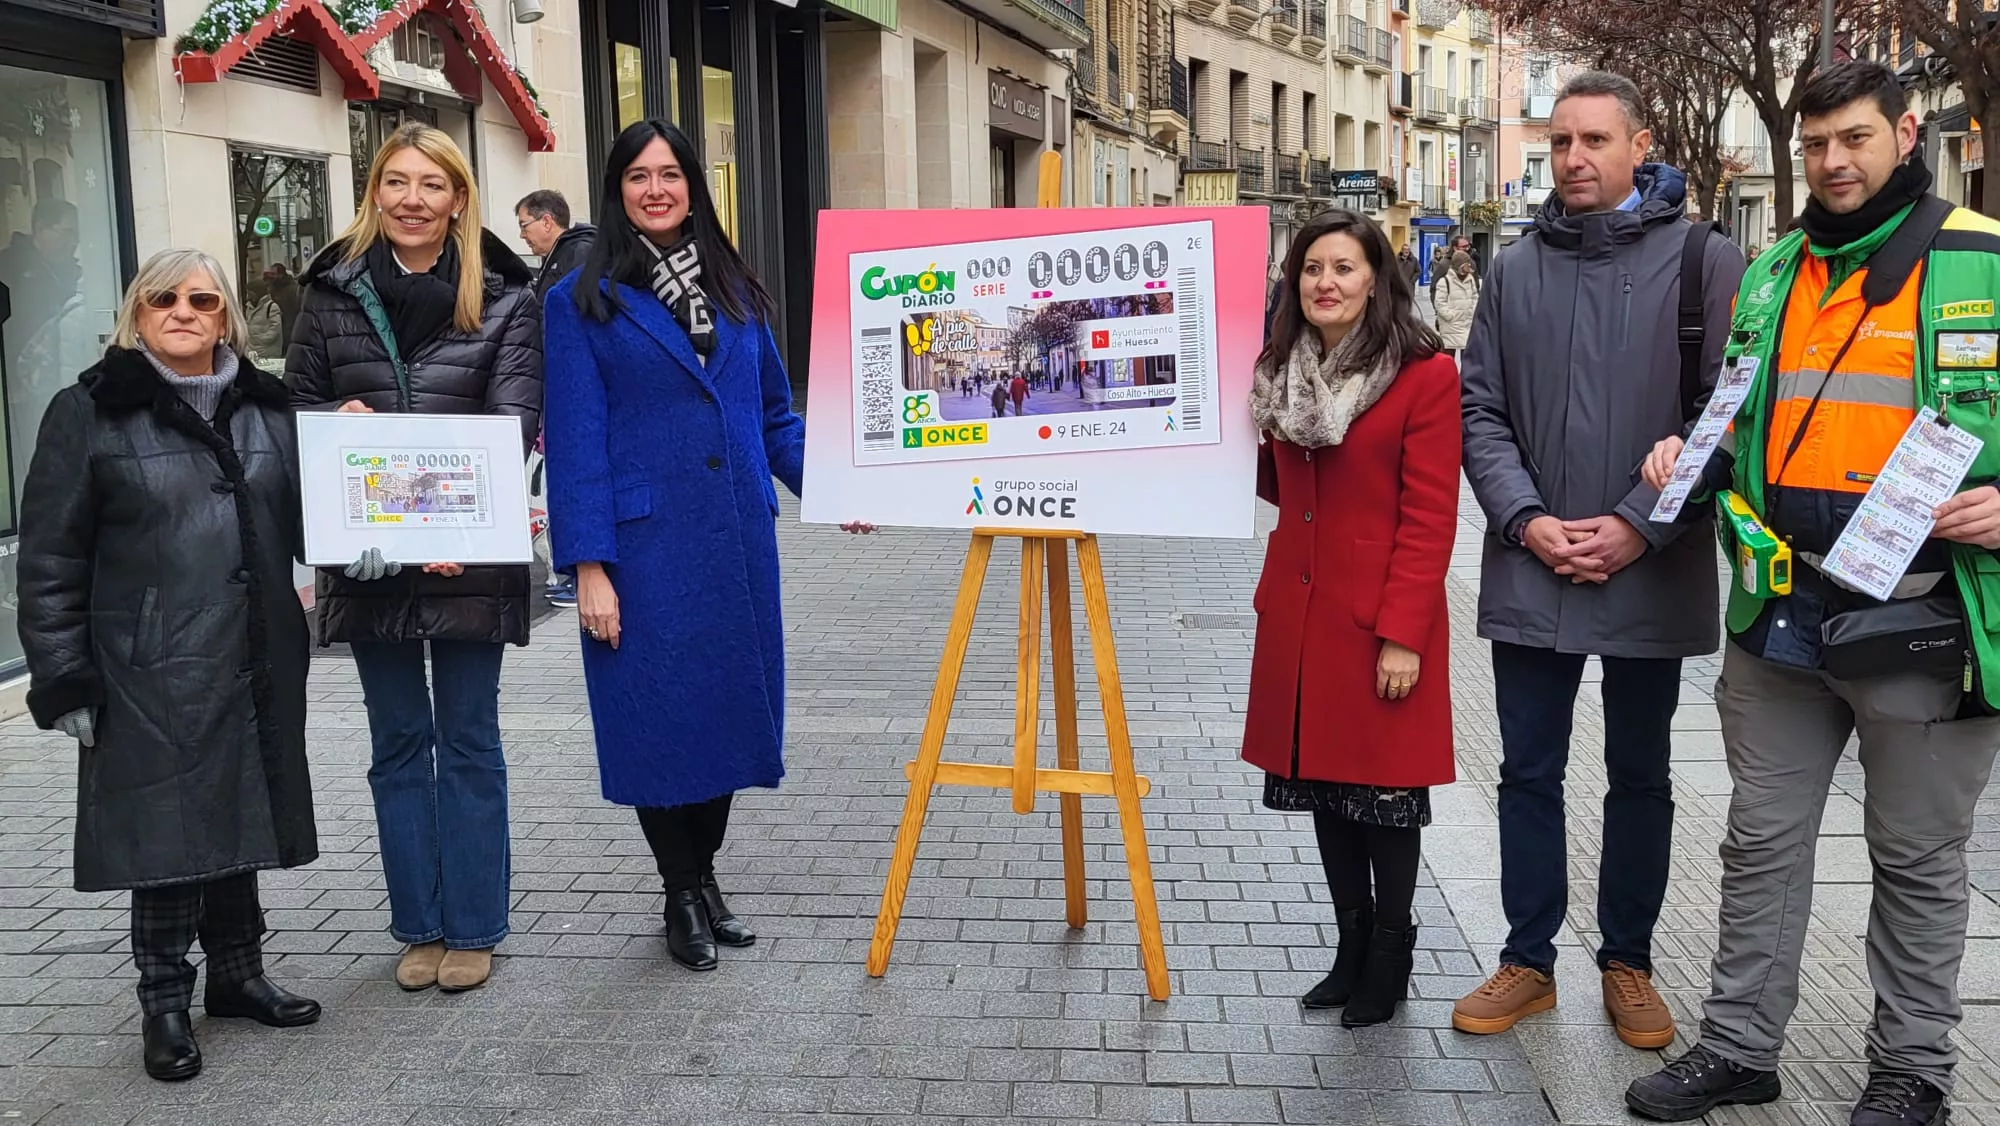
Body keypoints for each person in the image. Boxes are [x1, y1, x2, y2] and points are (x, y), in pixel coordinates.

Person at [1625, 61, 2000, 1126]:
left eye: (1854, 139)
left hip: (1928, 614)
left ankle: (1911, 1068)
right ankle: (1739, 1047)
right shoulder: (1772, 268)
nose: (1833, 163)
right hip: (1778, 612)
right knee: (1760, 842)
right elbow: (1738, 411)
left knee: (1918, 859)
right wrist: (1689, 455)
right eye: (1815, 145)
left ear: (1905, 132)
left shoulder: (1980, 258)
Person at [1455, 71, 1744, 1049]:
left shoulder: (1705, 260)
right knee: (1526, 771)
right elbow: (1479, 408)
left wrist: (1635, 523)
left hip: (1648, 566)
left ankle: (1627, 960)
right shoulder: (1512, 269)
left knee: (1639, 772)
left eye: (1592, 140)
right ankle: (1525, 960)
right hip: (1531, 562)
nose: (1571, 158)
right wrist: (1525, 520)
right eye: (1559, 140)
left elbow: (1724, 414)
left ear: (1638, 144)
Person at [543, 119, 871, 973]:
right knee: (657, 722)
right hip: (642, 552)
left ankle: (704, 874)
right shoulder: (580, 296)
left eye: (671, 174)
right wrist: (589, 568)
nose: (656, 189)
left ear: (695, 184)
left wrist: (836, 489)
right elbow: (574, 441)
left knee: (729, 713)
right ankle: (679, 890)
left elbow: (773, 417)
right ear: (615, 190)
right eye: (638, 177)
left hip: (733, 543)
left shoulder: (735, 286)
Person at [18, 247, 319, 1083]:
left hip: (254, 651)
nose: (184, 312)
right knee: (164, 836)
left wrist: (359, 545)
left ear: (225, 315)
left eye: (202, 299)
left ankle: (238, 975)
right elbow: (49, 560)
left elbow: (306, 514)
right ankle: (163, 1002)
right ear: (137, 312)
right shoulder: (87, 411)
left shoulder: (267, 409)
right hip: (145, 663)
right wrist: (62, 676)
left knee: (241, 809)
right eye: (163, 299)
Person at [286, 122, 543, 994]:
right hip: (368, 557)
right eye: (396, 182)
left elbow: (514, 426)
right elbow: (299, 412)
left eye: (431, 185)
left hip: (467, 554)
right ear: (374, 194)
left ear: (459, 199)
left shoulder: (506, 297)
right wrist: (331, 428)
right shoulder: (329, 293)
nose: (412, 200)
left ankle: (473, 923)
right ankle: (419, 922)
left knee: (468, 738)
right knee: (397, 740)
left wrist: (451, 532)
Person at [1243, 208, 1459, 1028]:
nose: (1325, 283)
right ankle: (1350, 944)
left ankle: (1392, 952)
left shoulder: (1422, 374)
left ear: (1377, 278)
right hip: (1301, 615)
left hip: (1377, 622)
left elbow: (1430, 514)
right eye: (1311, 270)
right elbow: (1282, 490)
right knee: (1329, 795)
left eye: (1342, 268)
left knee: (1385, 801)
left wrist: (1404, 633)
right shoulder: (1282, 372)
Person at [516, 189, 598, 609]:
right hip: (559, 389)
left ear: (547, 221)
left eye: (525, 226)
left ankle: (573, 571)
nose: (524, 237)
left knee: (562, 482)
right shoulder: (568, 256)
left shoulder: (577, 255)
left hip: (567, 391)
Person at [0, 199, 82, 368]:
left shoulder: (76, 274)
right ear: (40, 229)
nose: (74, 243)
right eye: (67, 233)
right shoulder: (7, 269)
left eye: (77, 235)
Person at [1432, 250, 1480, 357]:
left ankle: (1465, 375)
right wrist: (1450, 316)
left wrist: (1473, 311)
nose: (1468, 266)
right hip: (1451, 326)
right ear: (1459, 265)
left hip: (1467, 323)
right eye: (1466, 264)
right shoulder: (1444, 282)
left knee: (1468, 357)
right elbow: (1439, 303)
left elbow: (1475, 296)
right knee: (1448, 357)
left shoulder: (1470, 279)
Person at [242, 278, 285, 366]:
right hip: (253, 350)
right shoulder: (249, 307)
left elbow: (276, 329)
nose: (248, 295)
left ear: (257, 293)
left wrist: (260, 340)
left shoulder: (272, 307)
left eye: (250, 293)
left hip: (267, 351)